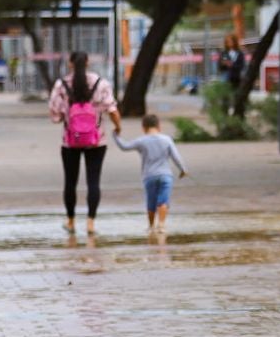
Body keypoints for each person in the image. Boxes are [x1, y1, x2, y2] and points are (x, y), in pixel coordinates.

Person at [47, 50, 122, 235]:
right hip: (97, 140)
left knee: (70, 183)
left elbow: (55, 116)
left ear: (70, 63)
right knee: (93, 181)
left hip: (70, 141)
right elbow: (112, 109)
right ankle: (90, 223)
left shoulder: (61, 85)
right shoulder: (101, 83)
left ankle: (71, 221)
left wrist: (69, 116)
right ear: (88, 62)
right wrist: (117, 127)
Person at [114, 113, 189, 233]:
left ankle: (151, 226)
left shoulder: (141, 141)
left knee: (151, 201)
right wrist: (183, 170)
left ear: (144, 127)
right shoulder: (166, 139)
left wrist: (115, 135)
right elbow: (176, 157)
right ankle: (162, 225)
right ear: (159, 125)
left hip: (149, 176)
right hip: (166, 175)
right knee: (163, 201)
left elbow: (124, 146)